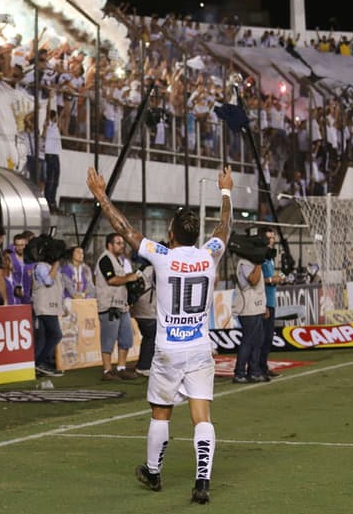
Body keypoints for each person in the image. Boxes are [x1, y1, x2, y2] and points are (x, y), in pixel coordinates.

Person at [87, 165, 233, 505]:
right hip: (199, 347)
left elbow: (124, 230)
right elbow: (225, 227)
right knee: (202, 416)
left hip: (168, 349)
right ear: (195, 235)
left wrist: (100, 196)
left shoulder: (163, 256)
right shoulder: (208, 254)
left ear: (171, 234)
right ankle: (202, 481)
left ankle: (153, 472)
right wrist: (225, 191)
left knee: (160, 411)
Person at [93, 233, 139, 381]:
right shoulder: (105, 259)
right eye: (118, 243)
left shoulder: (119, 260)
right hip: (109, 306)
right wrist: (129, 277)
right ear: (109, 245)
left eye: (122, 243)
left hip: (122, 306)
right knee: (108, 340)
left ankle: (121, 368)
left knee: (126, 338)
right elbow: (111, 280)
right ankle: (107, 371)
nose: (122, 245)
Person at [233, 245, 267, 384]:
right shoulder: (244, 263)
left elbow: (258, 288)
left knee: (257, 341)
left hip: (256, 307)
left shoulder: (250, 263)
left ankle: (254, 371)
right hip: (247, 309)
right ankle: (239, 373)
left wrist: (263, 306)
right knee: (248, 341)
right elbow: (253, 280)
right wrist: (259, 262)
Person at [32, 251, 64, 377]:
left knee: (45, 337)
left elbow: (58, 287)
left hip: (51, 306)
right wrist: (56, 264)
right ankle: (39, 363)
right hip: (44, 306)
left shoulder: (50, 267)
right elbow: (48, 281)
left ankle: (42, 364)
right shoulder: (41, 266)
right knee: (56, 334)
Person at [259, 227, 283, 379]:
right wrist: (271, 280)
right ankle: (257, 368)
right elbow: (255, 279)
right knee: (262, 338)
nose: (271, 241)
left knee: (268, 338)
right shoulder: (259, 257)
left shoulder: (270, 257)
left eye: (273, 238)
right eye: (269, 238)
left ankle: (263, 366)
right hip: (263, 302)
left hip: (271, 301)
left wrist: (276, 279)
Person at [130, 256, 156, 377]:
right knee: (151, 336)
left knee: (149, 336)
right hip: (148, 308)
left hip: (138, 307)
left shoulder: (142, 269)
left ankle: (145, 364)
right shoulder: (154, 269)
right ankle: (144, 365)